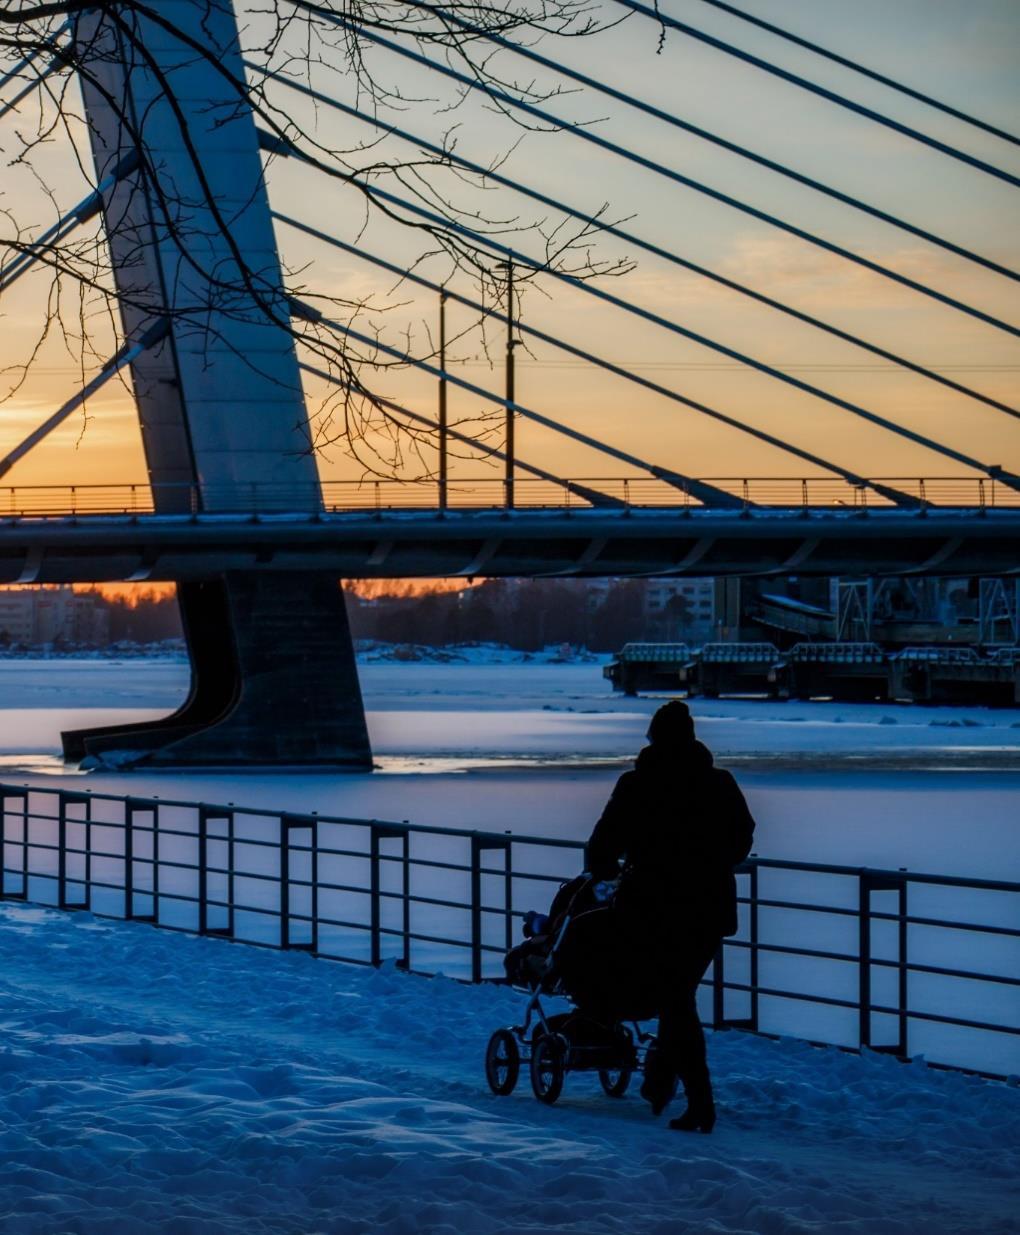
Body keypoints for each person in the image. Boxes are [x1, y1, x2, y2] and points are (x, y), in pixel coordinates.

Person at [586, 699, 755, 1133]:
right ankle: (664, 1079)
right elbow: (743, 834)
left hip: (653, 909)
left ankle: (696, 1100)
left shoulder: (638, 784)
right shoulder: (719, 783)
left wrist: (607, 872)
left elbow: (603, 845)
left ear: (653, 739)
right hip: (709, 909)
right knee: (677, 997)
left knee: (674, 1000)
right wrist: (714, 863)